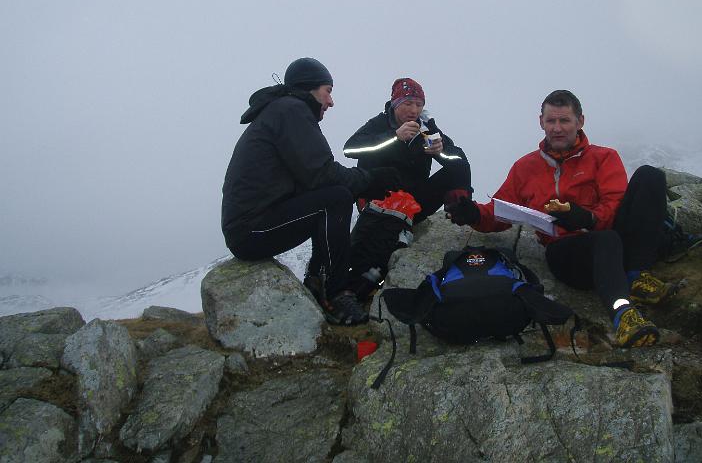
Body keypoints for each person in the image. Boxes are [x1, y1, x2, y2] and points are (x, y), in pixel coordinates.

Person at [446, 89, 676, 348]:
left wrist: (587, 218)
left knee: (649, 176)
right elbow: (500, 211)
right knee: (606, 240)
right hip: (567, 254)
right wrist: (473, 213)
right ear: (541, 122)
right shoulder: (525, 167)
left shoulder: (603, 157)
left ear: (580, 121)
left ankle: (636, 275)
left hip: (613, 239)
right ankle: (623, 315)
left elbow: (614, 203)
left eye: (564, 121)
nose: (557, 128)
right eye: (551, 121)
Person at [221, 57, 400, 325]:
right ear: (309, 89)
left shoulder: (283, 110)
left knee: (335, 196)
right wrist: (371, 179)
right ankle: (334, 295)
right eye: (328, 91)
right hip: (251, 230)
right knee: (335, 199)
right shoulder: (291, 111)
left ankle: (319, 283)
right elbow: (322, 173)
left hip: (251, 225)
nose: (331, 102)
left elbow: (312, 176)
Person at [341, 77, 472, 298]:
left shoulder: (427, 128)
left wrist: (441, 151)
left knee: (457, 168)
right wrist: (394, 138)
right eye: (408, 103)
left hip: (413, 202)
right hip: (379, 200)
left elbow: (459, 162)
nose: (414, 110)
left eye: (419, 104)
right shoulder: (379, 124)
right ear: (395, 104)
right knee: (390, 175)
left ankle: (461, 216)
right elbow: (350, 149)